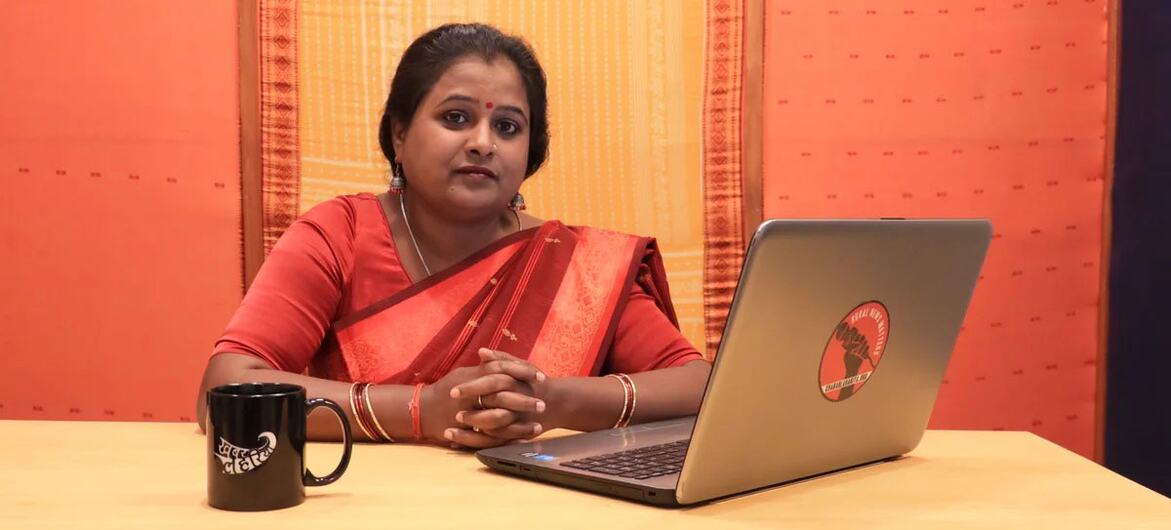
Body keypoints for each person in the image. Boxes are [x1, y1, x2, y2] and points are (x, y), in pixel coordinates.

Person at [197, 23, 711, 449]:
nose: (483, 143)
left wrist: (550, 401)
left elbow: (699, 384)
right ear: (399, 133)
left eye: (507, 127)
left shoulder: (581, 266)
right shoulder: (339, 235)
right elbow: (225, 388)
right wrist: (422, 411)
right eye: (456, 117)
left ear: (529, 152)